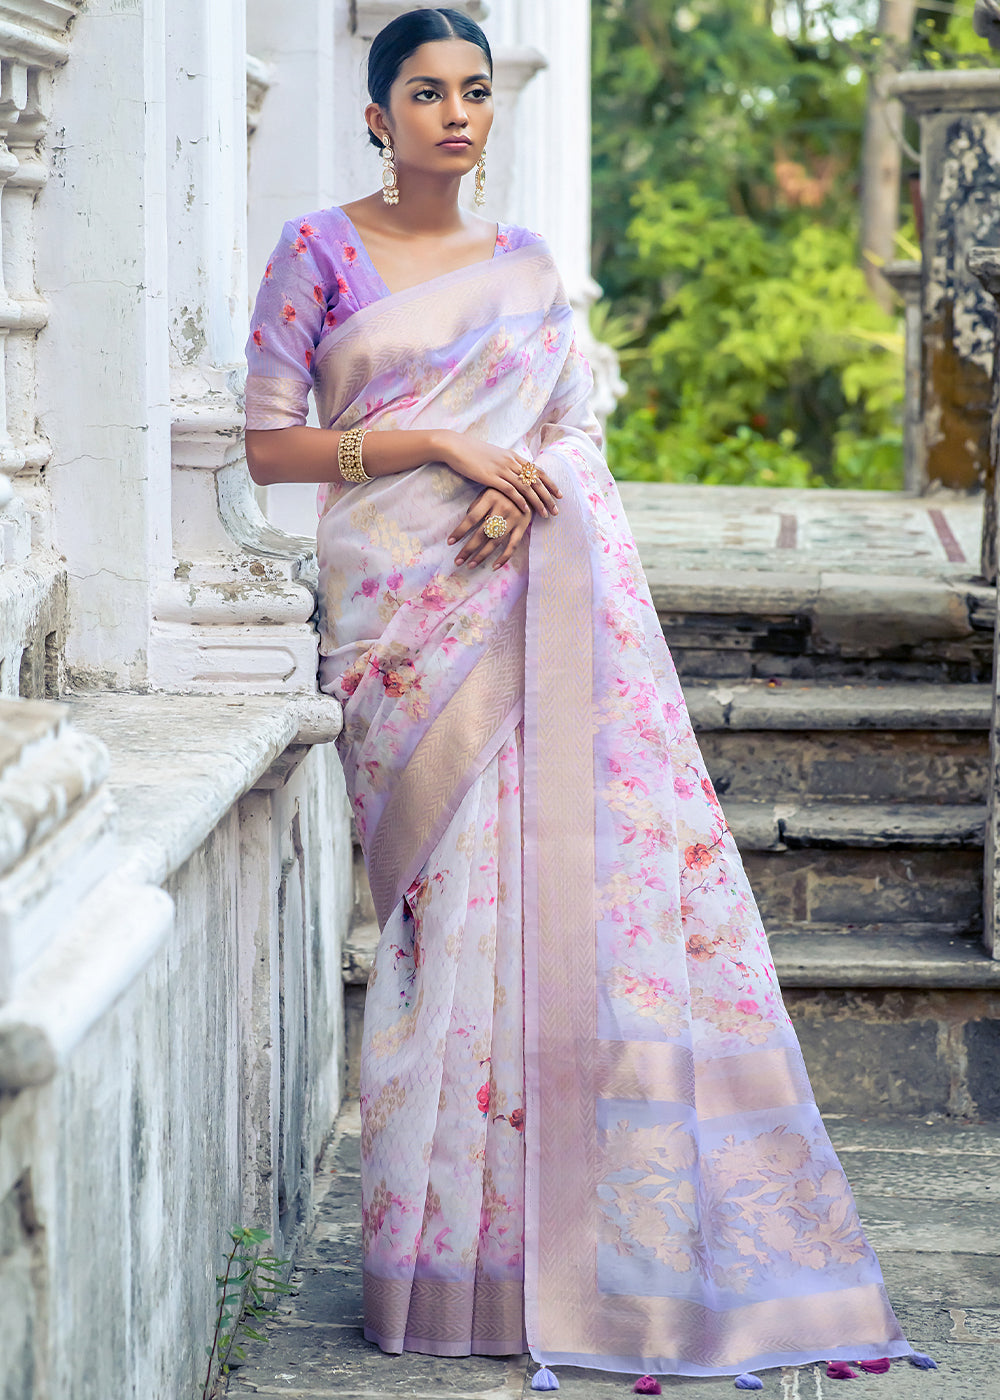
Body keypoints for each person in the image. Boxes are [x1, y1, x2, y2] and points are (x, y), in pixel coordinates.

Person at [243, 7, 921, 1388]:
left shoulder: (529, 265)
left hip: (528, 597)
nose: (454, 113)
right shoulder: (315, 251)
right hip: (403, 630)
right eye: (424, 92)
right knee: (449, 929)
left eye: (474, 91)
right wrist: (438, 443)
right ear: (375, 115)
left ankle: (574, 1258)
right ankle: (447, 1268)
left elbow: (567, 428)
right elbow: (268, 447)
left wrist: (529, 491)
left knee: (563, 914)